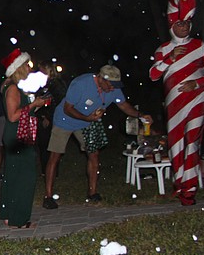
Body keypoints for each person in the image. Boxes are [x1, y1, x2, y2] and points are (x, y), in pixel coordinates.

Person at [43, 64, 151, 208]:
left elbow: (123, 105)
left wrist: (140, 115)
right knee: (55, 156)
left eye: (115, 85)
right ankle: (48, 196)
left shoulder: (113, 88)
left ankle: (92, 193)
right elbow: (67, 109)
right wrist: (87, 118)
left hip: (87, 123)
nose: (112, 88)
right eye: (110, 85)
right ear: (100, 78)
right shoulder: (81, 84)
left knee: (93, 154)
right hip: (64, 120)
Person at [149, 0, 204, 206]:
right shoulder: (163, 49)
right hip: (174, 104)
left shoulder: (200, 46)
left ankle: (190, 190)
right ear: (172, 26)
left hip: (197, 100)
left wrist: (197, 83)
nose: (184, 27)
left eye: (187, 23)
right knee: (176, 145)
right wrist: (170, 59)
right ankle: (180, 185)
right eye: (180, 24)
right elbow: (153, 75)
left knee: (192, 143)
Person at [0, 50, 51, 228]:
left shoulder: (19, 87)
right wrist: (34, 104)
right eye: (27, 65)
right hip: (17, 135)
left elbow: (23, 111)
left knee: (14, 175)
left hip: (20, 133)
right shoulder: (13, 88)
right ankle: (18, 219)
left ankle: (8, 214)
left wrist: (37, 105)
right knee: (25, 177)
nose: (30, 68)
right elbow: (13, 116)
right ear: (19, 68)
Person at [35, 60, 68, 173]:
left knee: (52, 147)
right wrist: (42, 116)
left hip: (55, 119)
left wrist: (48, 117)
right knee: (43, 145)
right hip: (42, 116)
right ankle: (45, 171)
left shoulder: (56, 84)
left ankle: (52, 172)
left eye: (42, 70)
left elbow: (61, 102)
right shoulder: (41, 84)